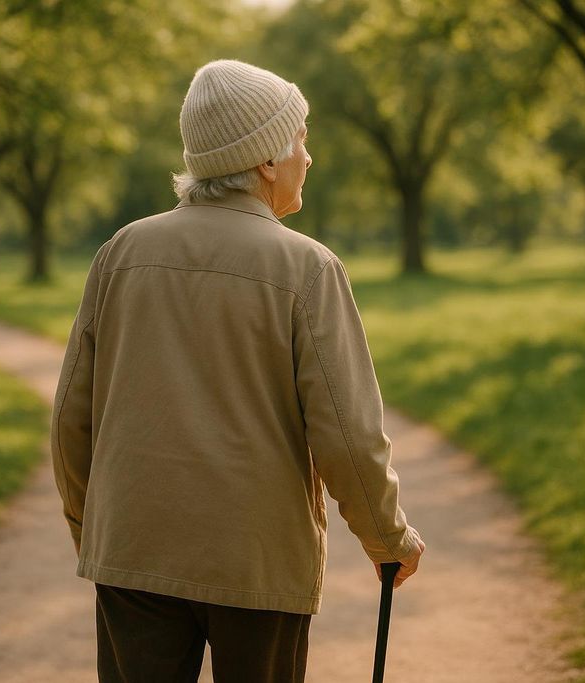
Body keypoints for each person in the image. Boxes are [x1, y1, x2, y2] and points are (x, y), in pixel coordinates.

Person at [50, 59, 425, 683]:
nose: (309, 157)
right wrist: (388, 539)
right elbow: (348, 435)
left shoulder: (119, 253)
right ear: (267, 161)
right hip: (258, 560)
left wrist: (96, 531)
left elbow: (71, 418)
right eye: (301, 139)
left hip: (133, 551)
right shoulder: (308, 268)